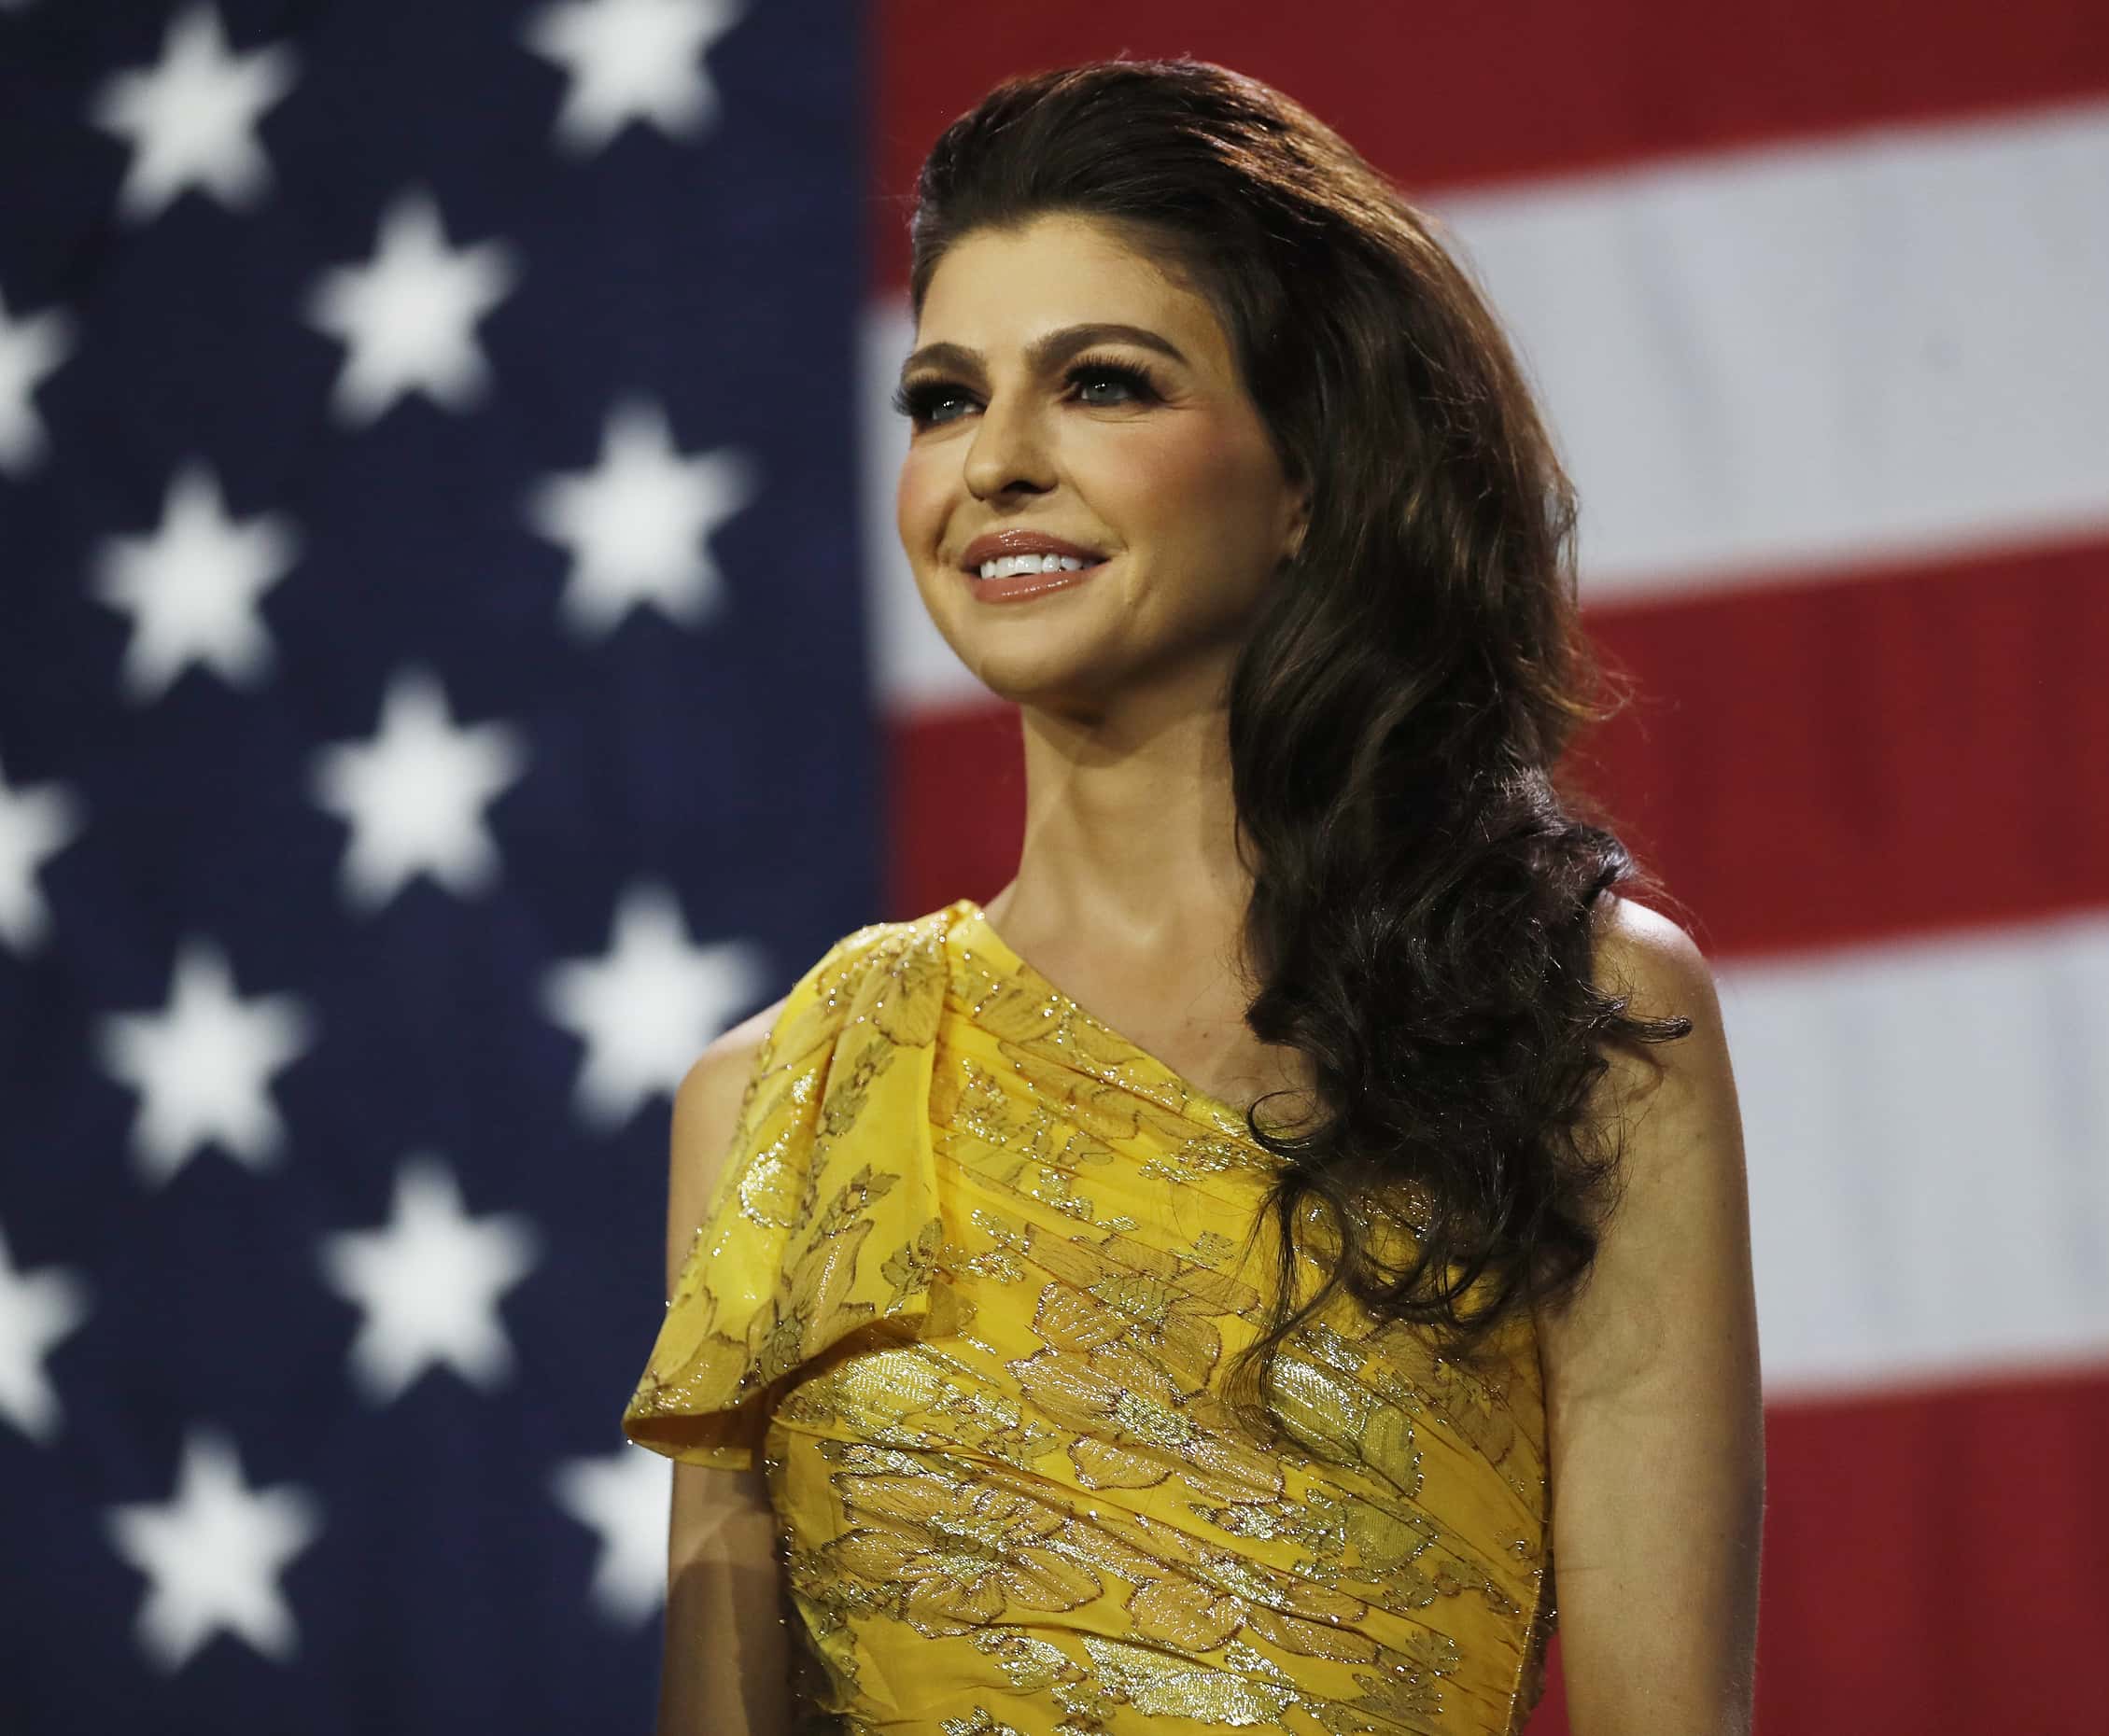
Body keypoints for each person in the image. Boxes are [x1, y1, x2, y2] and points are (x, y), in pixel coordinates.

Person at [622, 56, 1763, 1736]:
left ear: (1305, 476)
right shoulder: (780, 1094)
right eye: (941, 398)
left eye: (1101, 383)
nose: (994, 462)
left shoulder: (1575, 1018)